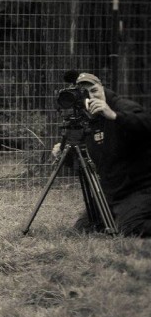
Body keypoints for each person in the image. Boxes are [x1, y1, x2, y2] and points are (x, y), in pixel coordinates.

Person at [53, 72, 151, 237]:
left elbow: (146, 124)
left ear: (102, 88)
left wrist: (114, 116)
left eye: (94, 90)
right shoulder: (86, 120)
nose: (91, 97)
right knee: (83, 229)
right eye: (85, 93)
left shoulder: (120, 105)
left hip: (139, 188)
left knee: (131, 227)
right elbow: (82, 159)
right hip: (111, 190)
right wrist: (63, 153)